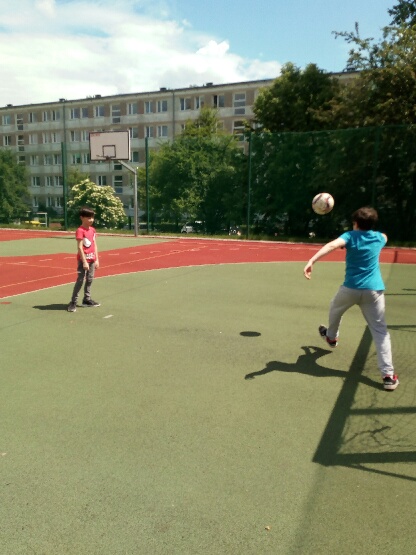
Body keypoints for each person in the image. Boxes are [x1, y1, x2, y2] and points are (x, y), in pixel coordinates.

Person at [303, 207, 399, 391]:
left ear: (355, 223)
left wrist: (312, 261)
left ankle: (331, 337)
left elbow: (331, 245)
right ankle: (388, 376)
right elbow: (384, 236)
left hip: (350, 289)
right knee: (380, 332)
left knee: (335, 309)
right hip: (374, 292)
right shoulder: (380, 238)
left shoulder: (349, 236)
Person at [67, 207, 101, 312]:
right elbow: (80, 247)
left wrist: (96, 259)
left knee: (90, 279)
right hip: (83, 260)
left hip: (92, 259)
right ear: (82, 218)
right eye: (88, 218)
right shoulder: (80, 231)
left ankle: (87, 299)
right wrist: (84, 261)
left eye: (92, 218)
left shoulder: (92, 230)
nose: (91, 220)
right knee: (80, 280)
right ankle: (73, 302)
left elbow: (94, 245)